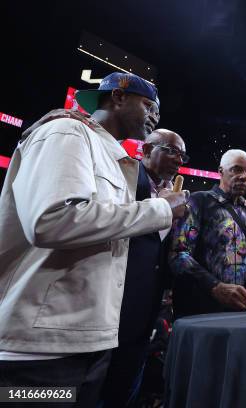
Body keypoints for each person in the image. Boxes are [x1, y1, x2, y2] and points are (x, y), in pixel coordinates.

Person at [0, 72, 186, 407]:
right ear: (117, 98)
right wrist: (160, 208)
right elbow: (51, 220)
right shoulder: (65, 131)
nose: (154, 117)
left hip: (88, 340)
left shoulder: (113, 158)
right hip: (38, 350)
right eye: (148, 106)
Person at [99, 129, 188, 407]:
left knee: (126, 385)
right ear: (147, 151)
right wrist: (160, 206)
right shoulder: (123, 177)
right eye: (171, 150)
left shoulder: (171, 191)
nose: (178, 160)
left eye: (182, 155)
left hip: (147, 305)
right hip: (111, 302)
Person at [169, 149, 246, 317]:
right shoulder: (199, 201)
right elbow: (178, 253)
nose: (244, 176)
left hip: (240, 305)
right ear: (220, 171)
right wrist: (215, 286)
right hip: (198, 306)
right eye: (237, 169)